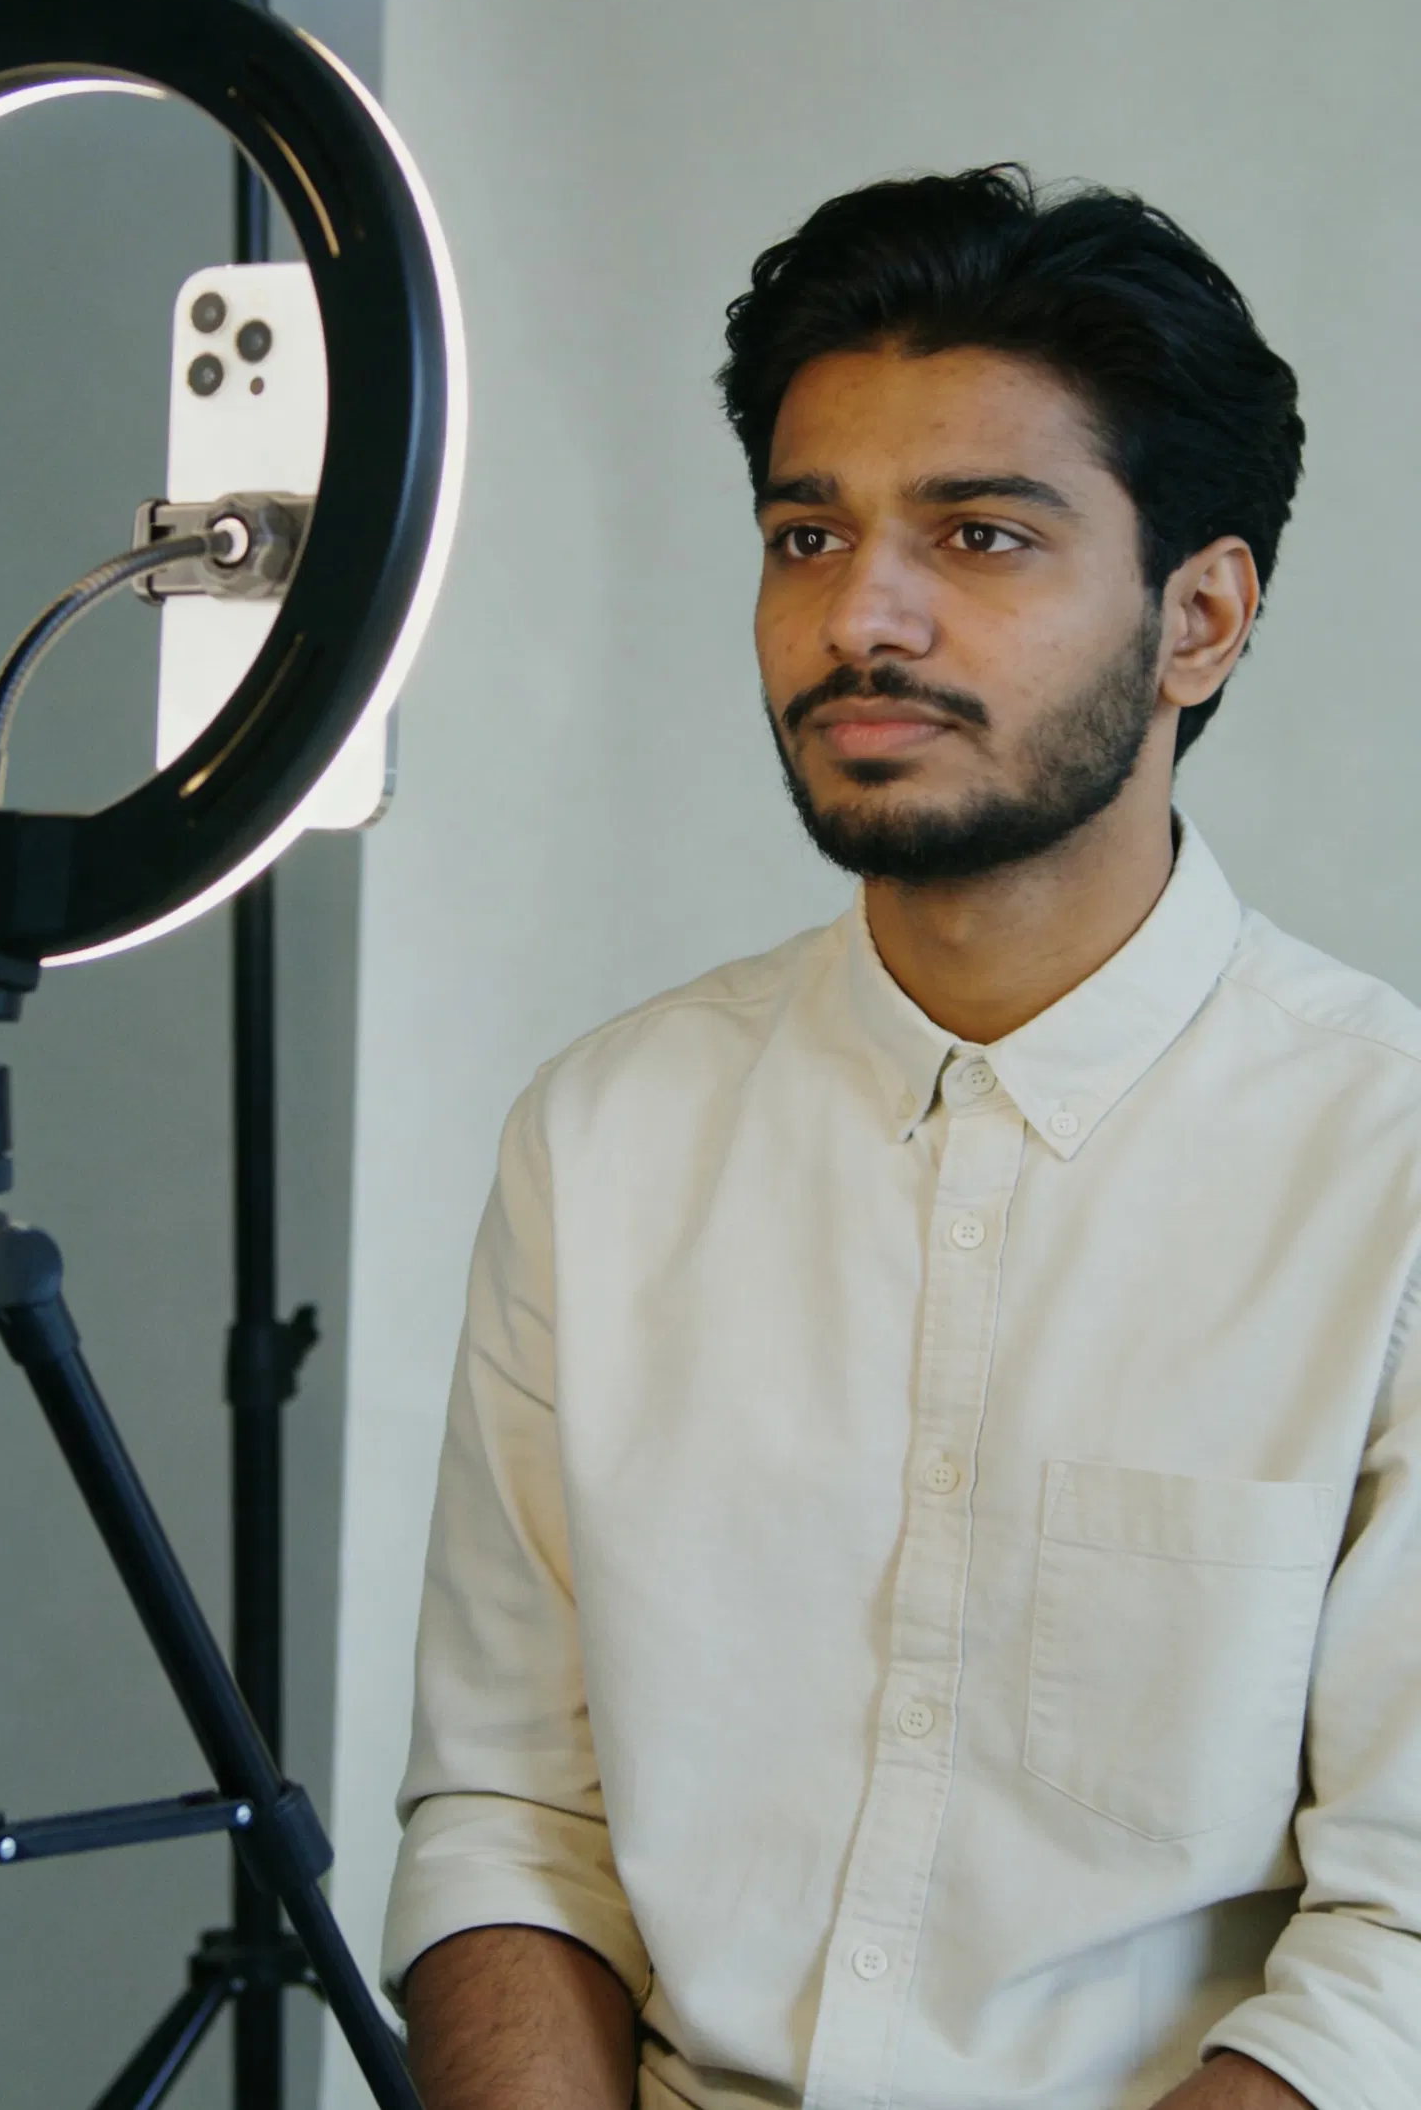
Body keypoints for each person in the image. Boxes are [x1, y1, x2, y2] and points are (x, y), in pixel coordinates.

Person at [384, 167, 1421, 2110]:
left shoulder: (1383, 1180)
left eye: (978, 534)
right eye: (805, 530)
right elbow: (512, 1819)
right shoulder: (604, 1142)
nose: (858, 614)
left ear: (1195, 617)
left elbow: (1400, 1955)